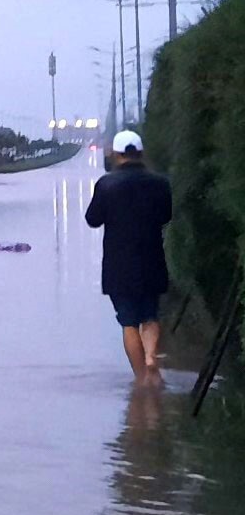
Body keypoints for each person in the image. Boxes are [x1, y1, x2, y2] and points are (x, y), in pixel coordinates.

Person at [83, 130, 173, 386]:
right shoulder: (160, 183)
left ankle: (142, 378)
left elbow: (92, 220)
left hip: (118, 266)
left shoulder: (106, 184)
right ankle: (151, 356)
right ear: (140, 154)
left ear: (116, 155)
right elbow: (166, 216)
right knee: (151, 315)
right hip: (152, 259)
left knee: (129, 321)